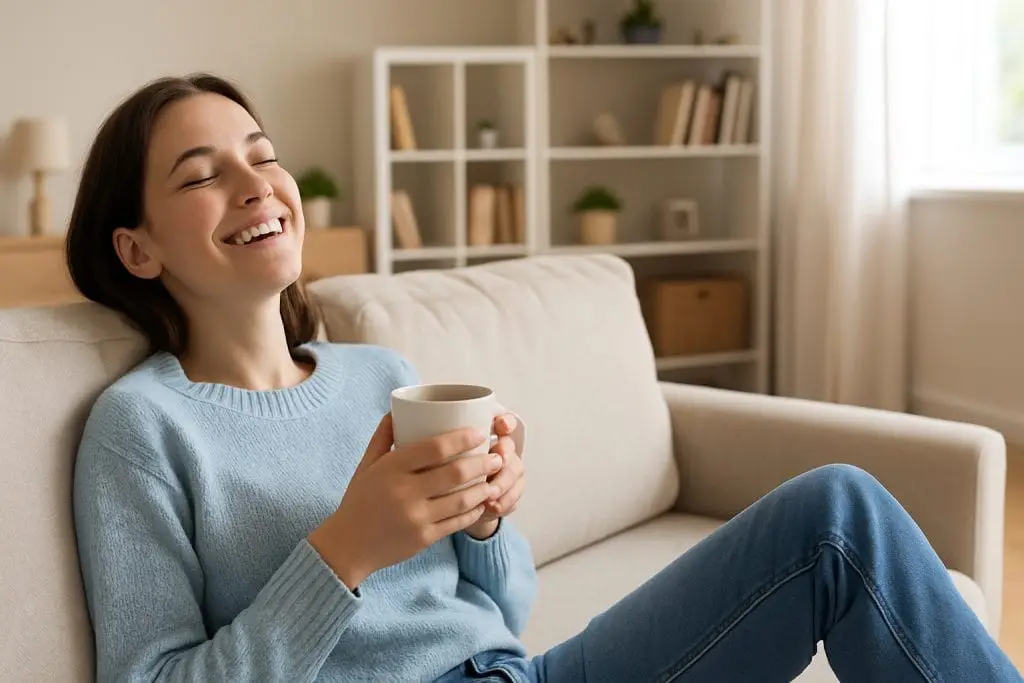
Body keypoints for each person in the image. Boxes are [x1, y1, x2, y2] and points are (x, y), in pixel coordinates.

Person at [66, 73, 1022, 683]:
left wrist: (486, 523)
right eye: (202, 175)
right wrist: (345, 551)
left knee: (837, 514)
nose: (255, 185)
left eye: (264, 158)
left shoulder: (379, 376)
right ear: (136, 247)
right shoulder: (142, 427)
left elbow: (502, 613)